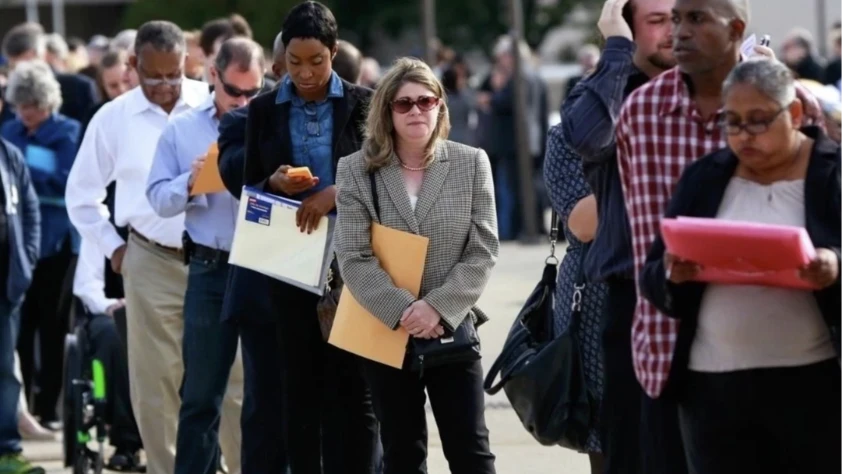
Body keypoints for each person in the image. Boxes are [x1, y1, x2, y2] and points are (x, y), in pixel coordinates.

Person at [616, 1, 823, 471]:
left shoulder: (789, 105)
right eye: (674, 20)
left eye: (696, 19)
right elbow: (639, 233)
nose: (678, 32)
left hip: (793, 356)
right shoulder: (640, 114)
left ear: (736, 29)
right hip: (671, 351)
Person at [335, 56, 498, 474]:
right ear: (387, 110)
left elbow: (483, 249)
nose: (416, 111)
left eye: (426, 101)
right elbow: (352, 256)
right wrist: (405, 310)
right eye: (404, 103)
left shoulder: (471, 162)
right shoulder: (356, 170)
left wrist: (436, 308)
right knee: (403, 454)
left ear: (440, 106)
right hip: (386, 331)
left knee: (472, 452)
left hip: (451, 329)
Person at [65, 21, 210, 474]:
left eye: (173, 74)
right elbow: (81, 196)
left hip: (214, 256)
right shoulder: (112, 118)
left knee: (231, 375)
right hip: (149, 258)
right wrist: (114, 249)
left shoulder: (210, 105)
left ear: (187, 63)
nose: (165, 86)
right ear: (132, 66)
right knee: (156, 382)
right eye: (154, 76)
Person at [241, 2, 378, 472]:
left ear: (334, 53)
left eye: (316, 61)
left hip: (356, 259)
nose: (305, 72)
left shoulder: (364, 103)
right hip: (290, 257)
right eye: (294, 63)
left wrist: (336, 192)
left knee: (355, 388)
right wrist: (275, 184)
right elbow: (249, 188)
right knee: (298, 387)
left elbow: (391, 176)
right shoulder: (262, 110)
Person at [561, 0, 677, 472]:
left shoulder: (708, 89)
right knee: (629, 451)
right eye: (657, 21)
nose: (674, 31)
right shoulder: (600, 91)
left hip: (707, 297)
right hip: (627, 298)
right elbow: (589, 137)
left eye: (681, 17)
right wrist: (616, 51)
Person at [146, 37, 264, 474]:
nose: (244, 102)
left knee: (265, 392)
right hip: (211, 267)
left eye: (254, 91)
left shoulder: (270, 120)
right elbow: (157, 199)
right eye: (235, 91)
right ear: (212, 75)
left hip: (263, 267)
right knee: (200, 395)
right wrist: (190, 181)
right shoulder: (182, 129)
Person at [1, 60, 81, 429]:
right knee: (20, 329)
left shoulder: (68, 131)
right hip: (18, 247)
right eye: (19, 106)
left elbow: (68, 179)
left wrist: (28, 169)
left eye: (31, 106)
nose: (25, 113)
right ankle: (22, 409)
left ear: (46, 103)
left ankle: (50, 409)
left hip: (57, 244)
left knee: (51, 328)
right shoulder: (10, 131)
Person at [72, 237, 143, 470]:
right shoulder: (100, 227)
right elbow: (86, 285)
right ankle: (127, 442)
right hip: (110, 310)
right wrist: (109, 305)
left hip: (160, 307)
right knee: (114, 335)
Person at [0, 138, 42, 474]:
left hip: (6, 284)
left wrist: (25, 263)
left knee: (5, 372)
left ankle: (7, 453)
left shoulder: (9, 155)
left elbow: (30, 212)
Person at [1, 23, 99, 124]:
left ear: (39, 54)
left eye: (21, 63)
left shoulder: (79, 87)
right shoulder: (9, 93)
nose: (19, 71)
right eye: (12, 66)